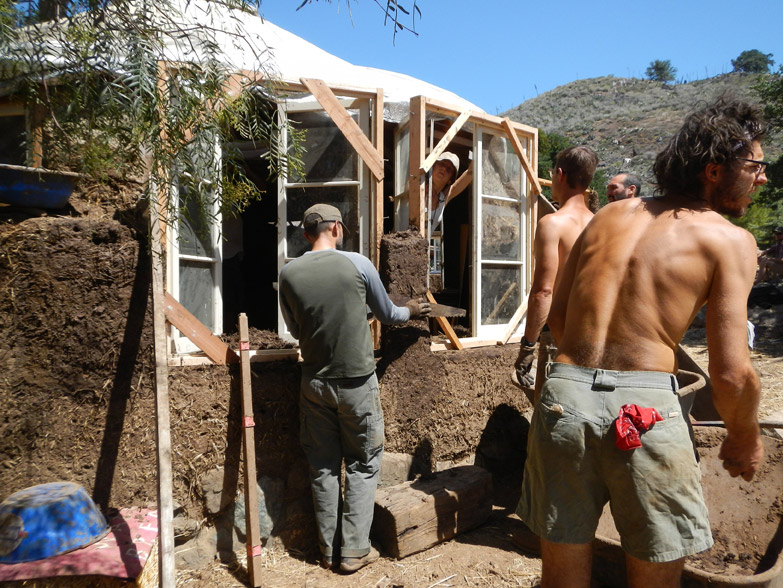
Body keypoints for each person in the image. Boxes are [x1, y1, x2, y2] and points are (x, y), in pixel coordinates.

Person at [518, 97, 767, 588]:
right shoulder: (729, 240)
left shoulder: (607, 217)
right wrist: (744, 436)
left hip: (563, 398)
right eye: (756, 165)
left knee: (560, 579)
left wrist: (586, 382)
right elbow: (732, 374)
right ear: (714, 170)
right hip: (645, 411)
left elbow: (560, 315)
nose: (762, 177)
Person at [278, 204, 431, 574]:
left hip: (314, 383)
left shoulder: (288, 274)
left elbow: (300, 331)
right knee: (363, 465)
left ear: (306, 233)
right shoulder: (357, 264)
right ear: (336, 227)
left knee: (323, 466)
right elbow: (389, 315)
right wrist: (413, 309)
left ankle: (327, 550)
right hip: (357, 385)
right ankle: (354, 552)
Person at [513, 146, 598, 404]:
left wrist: (528, 347)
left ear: (559, 174)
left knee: (554, 412)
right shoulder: (601, 223)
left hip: (562, 335)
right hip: (595, 333)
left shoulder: (553, 223)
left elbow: (543, 291)